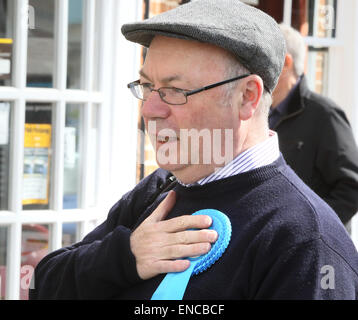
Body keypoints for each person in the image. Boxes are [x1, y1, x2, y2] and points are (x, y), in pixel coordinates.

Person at [30, 0, 358, 300]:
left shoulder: (306, 242)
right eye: (147, 86)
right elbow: (43, 285)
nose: (149, 111)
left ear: (247, 96)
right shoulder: (159, 189)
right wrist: (127, 257)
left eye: (175, 90)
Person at [270, 24, 358, 230]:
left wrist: (310, 226)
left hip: (313, 248)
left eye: (263, 58)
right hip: (272, 243)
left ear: (285, 63)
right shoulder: (258, 114)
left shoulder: (325, 114)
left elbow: (351, 187)